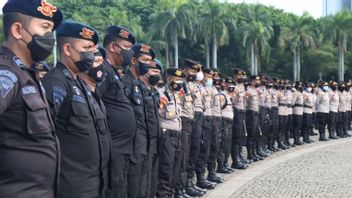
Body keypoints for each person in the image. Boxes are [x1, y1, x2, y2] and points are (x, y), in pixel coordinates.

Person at [0, 0, 62, 197]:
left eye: (52, 29)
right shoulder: (7, 74)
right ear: (18, 30)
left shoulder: (28, 75)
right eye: (45, 27)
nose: (50, 37)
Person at [42, 20, 109, 198]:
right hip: (72, 185)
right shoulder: (55, 83)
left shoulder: (81, 84)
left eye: (93, 49)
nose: (92, 54)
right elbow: (43, 135)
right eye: (87, 48)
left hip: (94, 181)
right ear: (67, 50)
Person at [98, 25, 136, 198]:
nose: (130, 53)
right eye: (127, 48)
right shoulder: (103, 72)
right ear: (113, 47)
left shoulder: (113, 72)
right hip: (114, 146)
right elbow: (95, 102)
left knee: (121, 187)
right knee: (114, 190)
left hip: (123, 147)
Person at [122, 43, 155, 198]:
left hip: (144, 145)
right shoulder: (125, 83)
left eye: (149, 60)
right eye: (145, 59)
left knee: (144, 187)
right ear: (134, 60)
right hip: (132, 147)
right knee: (133, 189)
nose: (147, 63)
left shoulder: (140, 85)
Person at [176, 58, 204, 197]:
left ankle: (189, 183)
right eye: (192, 70)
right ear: (185, 69)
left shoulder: (193, 85)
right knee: (183, 156)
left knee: (194, 152)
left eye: (196, 71)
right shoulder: (179, 85)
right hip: (183, 121)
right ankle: (180, 188)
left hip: (193, 120)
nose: (194, 73)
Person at [156, 68, 185, 198]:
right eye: (176, 79)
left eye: (180, 80)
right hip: (166, 134)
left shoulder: (176, 94)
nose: (179, 82)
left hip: (177, 135)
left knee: (176, 168)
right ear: (169, 79)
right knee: (166, 168)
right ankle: (163, 195)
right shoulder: (161, 94)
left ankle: (171, 194)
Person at [139, 58, 162, 198]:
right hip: (144, 142)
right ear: (146, 71)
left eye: (159, 72)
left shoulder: (154, 91)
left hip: (155, 140)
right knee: (143, 180)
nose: (156, 75)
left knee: (153, 177)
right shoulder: (140, 89)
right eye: (154, 71)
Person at [231, 69, 249, 169]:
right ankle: (235, 160)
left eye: (242, 76)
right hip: (236, 111)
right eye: (239, 76)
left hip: (242, 111)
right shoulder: (233, 86)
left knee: (241, 136)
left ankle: (239, 156)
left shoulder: (242, 86)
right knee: (236, 136)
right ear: (235, 76)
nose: (241, 78)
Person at [245, 75, 261, 162]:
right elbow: (245, 102)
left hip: (256, 113)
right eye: (256, 81)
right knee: (251, 134)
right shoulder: (248, 90)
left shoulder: (256, 90)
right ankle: (250, 154)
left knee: (255, 134)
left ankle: (254, 153)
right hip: (251, 113)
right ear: (252, 81)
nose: (258, 82)